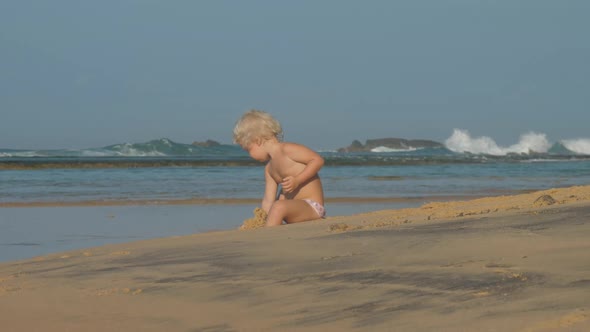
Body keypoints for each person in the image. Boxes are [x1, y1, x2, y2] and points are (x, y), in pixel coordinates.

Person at [233, 109, 325, 226]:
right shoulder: (269, 169)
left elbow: (317, 160)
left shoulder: (287, 150)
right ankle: (269, 226)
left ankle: (268, 235)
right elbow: (268, 200)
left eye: (248, 149)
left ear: (258, 140)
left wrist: (298, 180)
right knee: (277, 204)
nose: (249, 155)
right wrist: (263, 217)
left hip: (311, 207)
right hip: (291, 210)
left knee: (278, 206)